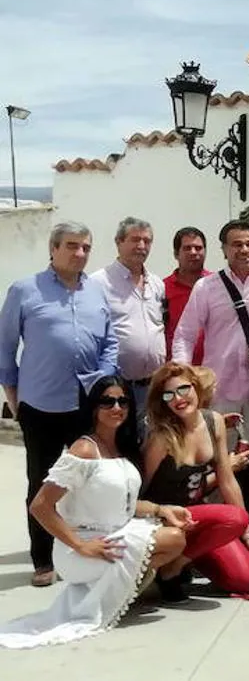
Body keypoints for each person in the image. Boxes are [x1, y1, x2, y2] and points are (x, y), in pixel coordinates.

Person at [0, 377, 189, 648]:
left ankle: (110, 589)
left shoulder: (120, 448)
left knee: (178, 535)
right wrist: (80, 546)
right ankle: (108, 588)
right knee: (172, 540)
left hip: (115, 533)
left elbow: (120, 504)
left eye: (123, 401)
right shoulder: (85, 449)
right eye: (107, 401)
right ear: (93, 407)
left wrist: (162, 509)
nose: (116, 407)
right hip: (80, 546)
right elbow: (40, 505)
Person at [0, 221, 119, 588]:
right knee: (42, 482)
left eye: (85, 247)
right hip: (41, 404)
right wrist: (15, 399)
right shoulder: (24, 290)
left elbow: (110, 341)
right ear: (53, 248)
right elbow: (5, 350)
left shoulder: (96, 291)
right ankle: (42, 559)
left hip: (87, 404)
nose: (79, 253)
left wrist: (102, 378)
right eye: (72, 246)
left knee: (92, 481)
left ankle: (89, 547)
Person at [172, 219, 249, 553]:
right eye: (237, 244)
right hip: (220, 390)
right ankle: (220, 535)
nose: (245, 250)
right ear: (225, 249)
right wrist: (184, 377)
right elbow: (184, 333)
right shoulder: (207, 288)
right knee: (217, 463)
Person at [142, 363, 249, 599]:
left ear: (196, 388)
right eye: (169, 394)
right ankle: (171, 566)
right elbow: (140, 490)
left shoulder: (213, 421)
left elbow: (227, 481)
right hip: (163, 519)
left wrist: (247, 535)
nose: (178, 399)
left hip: (195, 518)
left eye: (183, 389)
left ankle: (181, 561)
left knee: (245, 581)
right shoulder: (161, 437)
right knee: (234, 517)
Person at [90, 217, 165, 420]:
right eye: (135, 239)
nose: (141, 246)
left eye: (147, 241)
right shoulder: (98, 283)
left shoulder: (156, 283)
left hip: (152, 387)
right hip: (116, 388)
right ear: (118, 242)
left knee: (148, 445)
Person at [163, 226, 211, 365]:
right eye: (187, 248)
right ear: (176, 254)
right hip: (179, 370)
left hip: (214, 369)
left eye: (198, 248)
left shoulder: (218, 285)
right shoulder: (162, 288)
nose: (193, 252)